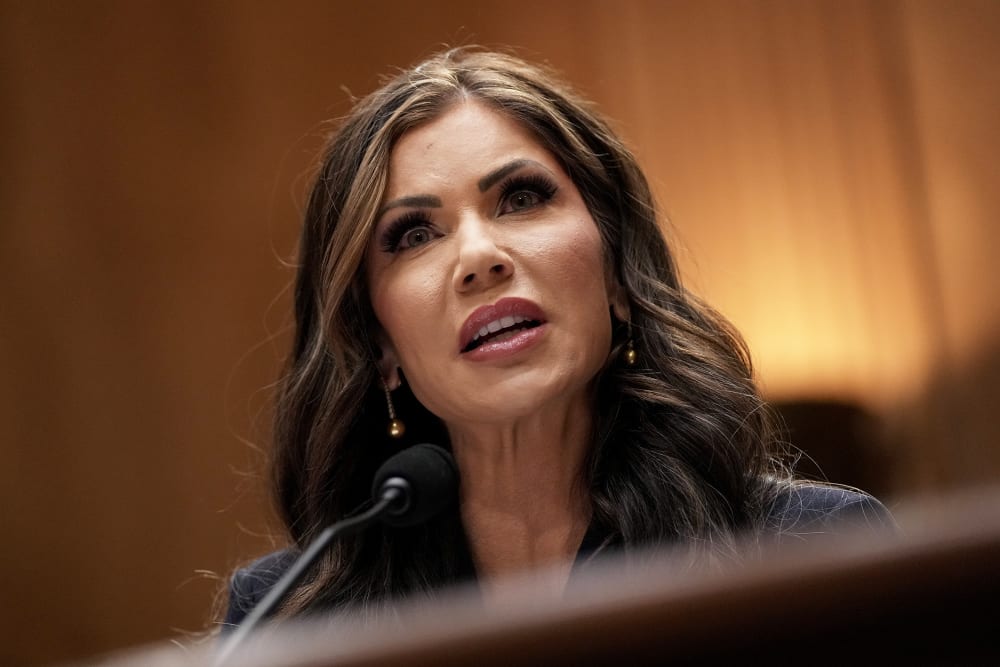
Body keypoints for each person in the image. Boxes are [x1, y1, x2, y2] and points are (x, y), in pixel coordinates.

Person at [221, 47, 893, 631]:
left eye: (520, 198)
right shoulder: (290, 619)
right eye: (416, 235)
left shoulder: (806, 550)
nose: (479, 256)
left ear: (618, 275)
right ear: (379, 346)